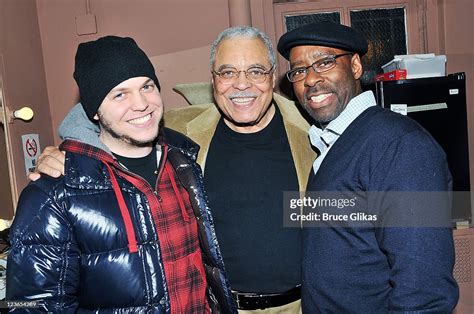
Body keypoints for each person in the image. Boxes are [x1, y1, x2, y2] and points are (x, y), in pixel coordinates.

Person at [29, 26, 316, 313]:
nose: (242, 84)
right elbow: (114, 118)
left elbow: (346, 211)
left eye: (255, 71)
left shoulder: (313, 131)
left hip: (298, 306)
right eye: (228, 72)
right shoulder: (180, 134)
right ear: (213, 78)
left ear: (272, 75)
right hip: (219, 307)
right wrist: (67, 153)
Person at [7, 36, 236, 313]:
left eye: (147, 86)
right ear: (94, 112)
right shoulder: (52, 194)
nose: (141, 104)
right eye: (119, 94)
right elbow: (32, 306)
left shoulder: (184, 165)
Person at [277, 22, 459, 312]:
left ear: (356, 66)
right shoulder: (329, 145)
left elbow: (425, 290)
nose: (310, 79)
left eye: (324, 62)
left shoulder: (402, 145)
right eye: (299, 70)